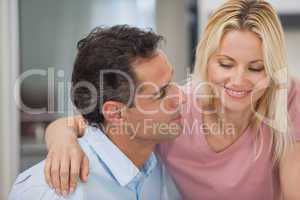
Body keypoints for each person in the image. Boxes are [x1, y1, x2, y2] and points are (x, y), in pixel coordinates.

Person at [42, 0, 300, 199]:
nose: (239, 80)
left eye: (256, 68)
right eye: (225, 64)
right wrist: (61, 139)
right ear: (206, 61)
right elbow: (98, 119)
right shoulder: (176, 110)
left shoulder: (285, 97)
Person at [9, 25, 185, 200]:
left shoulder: (162, 165)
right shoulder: (50, 193)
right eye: (160, 93)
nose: (181, 97)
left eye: (172, 81)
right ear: (116, 113)